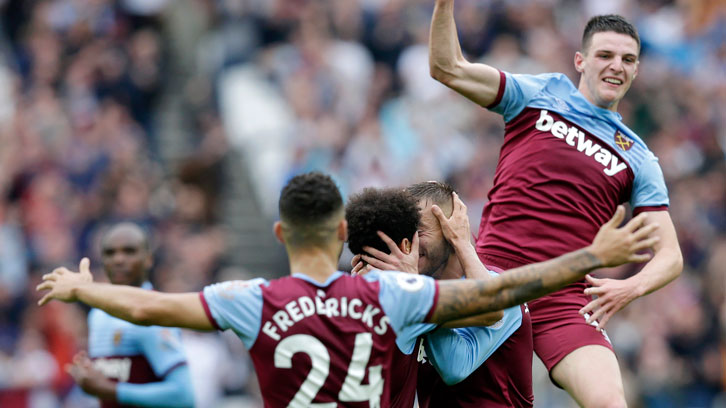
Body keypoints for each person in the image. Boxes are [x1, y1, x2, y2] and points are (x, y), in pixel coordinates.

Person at [37, 172, 657, 408]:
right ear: (340, 230)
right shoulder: (395, 299)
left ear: (281, 232)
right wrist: (589, 257)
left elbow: (149, 304)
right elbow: (504, 297)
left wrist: (83, 290)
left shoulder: (252, 298)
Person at [429, 7, 683, 407]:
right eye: (605, 55)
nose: (616, 66)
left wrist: (629, 288)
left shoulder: (638, 156)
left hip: (563, 298)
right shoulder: (539, 94)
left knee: (610, 403)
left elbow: (670, 255)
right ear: (580, 60)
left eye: (628, 60)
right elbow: (447, 68)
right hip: (493, 278)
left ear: (636, 71)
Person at [346, 185, 523, 408]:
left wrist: (414, 287)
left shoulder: (503, 291)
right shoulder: (399, 295)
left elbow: (455, 367)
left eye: (418, 232)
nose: (409, 244)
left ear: (451, 230)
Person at [65, 223, 194, 408]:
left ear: (148, 259)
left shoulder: (155, 313)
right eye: (110, 253)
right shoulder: (98, 315)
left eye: (129, 251)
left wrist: (111, 390)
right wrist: (90, 377)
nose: (118, 259)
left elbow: (184, 396)